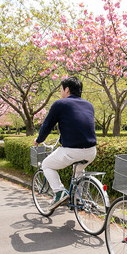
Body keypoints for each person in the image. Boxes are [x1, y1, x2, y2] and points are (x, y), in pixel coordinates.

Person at [33, 76, 97, 210]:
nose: (61, 92)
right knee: (78, 172)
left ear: (67, 89)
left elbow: (47, 126)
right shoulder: (89, 105)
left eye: (61, 89)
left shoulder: (60, 104)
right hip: (91, 151)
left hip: (72, 151)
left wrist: (39, 140)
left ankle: (59, 192)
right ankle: (77, 199)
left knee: (46, 165)